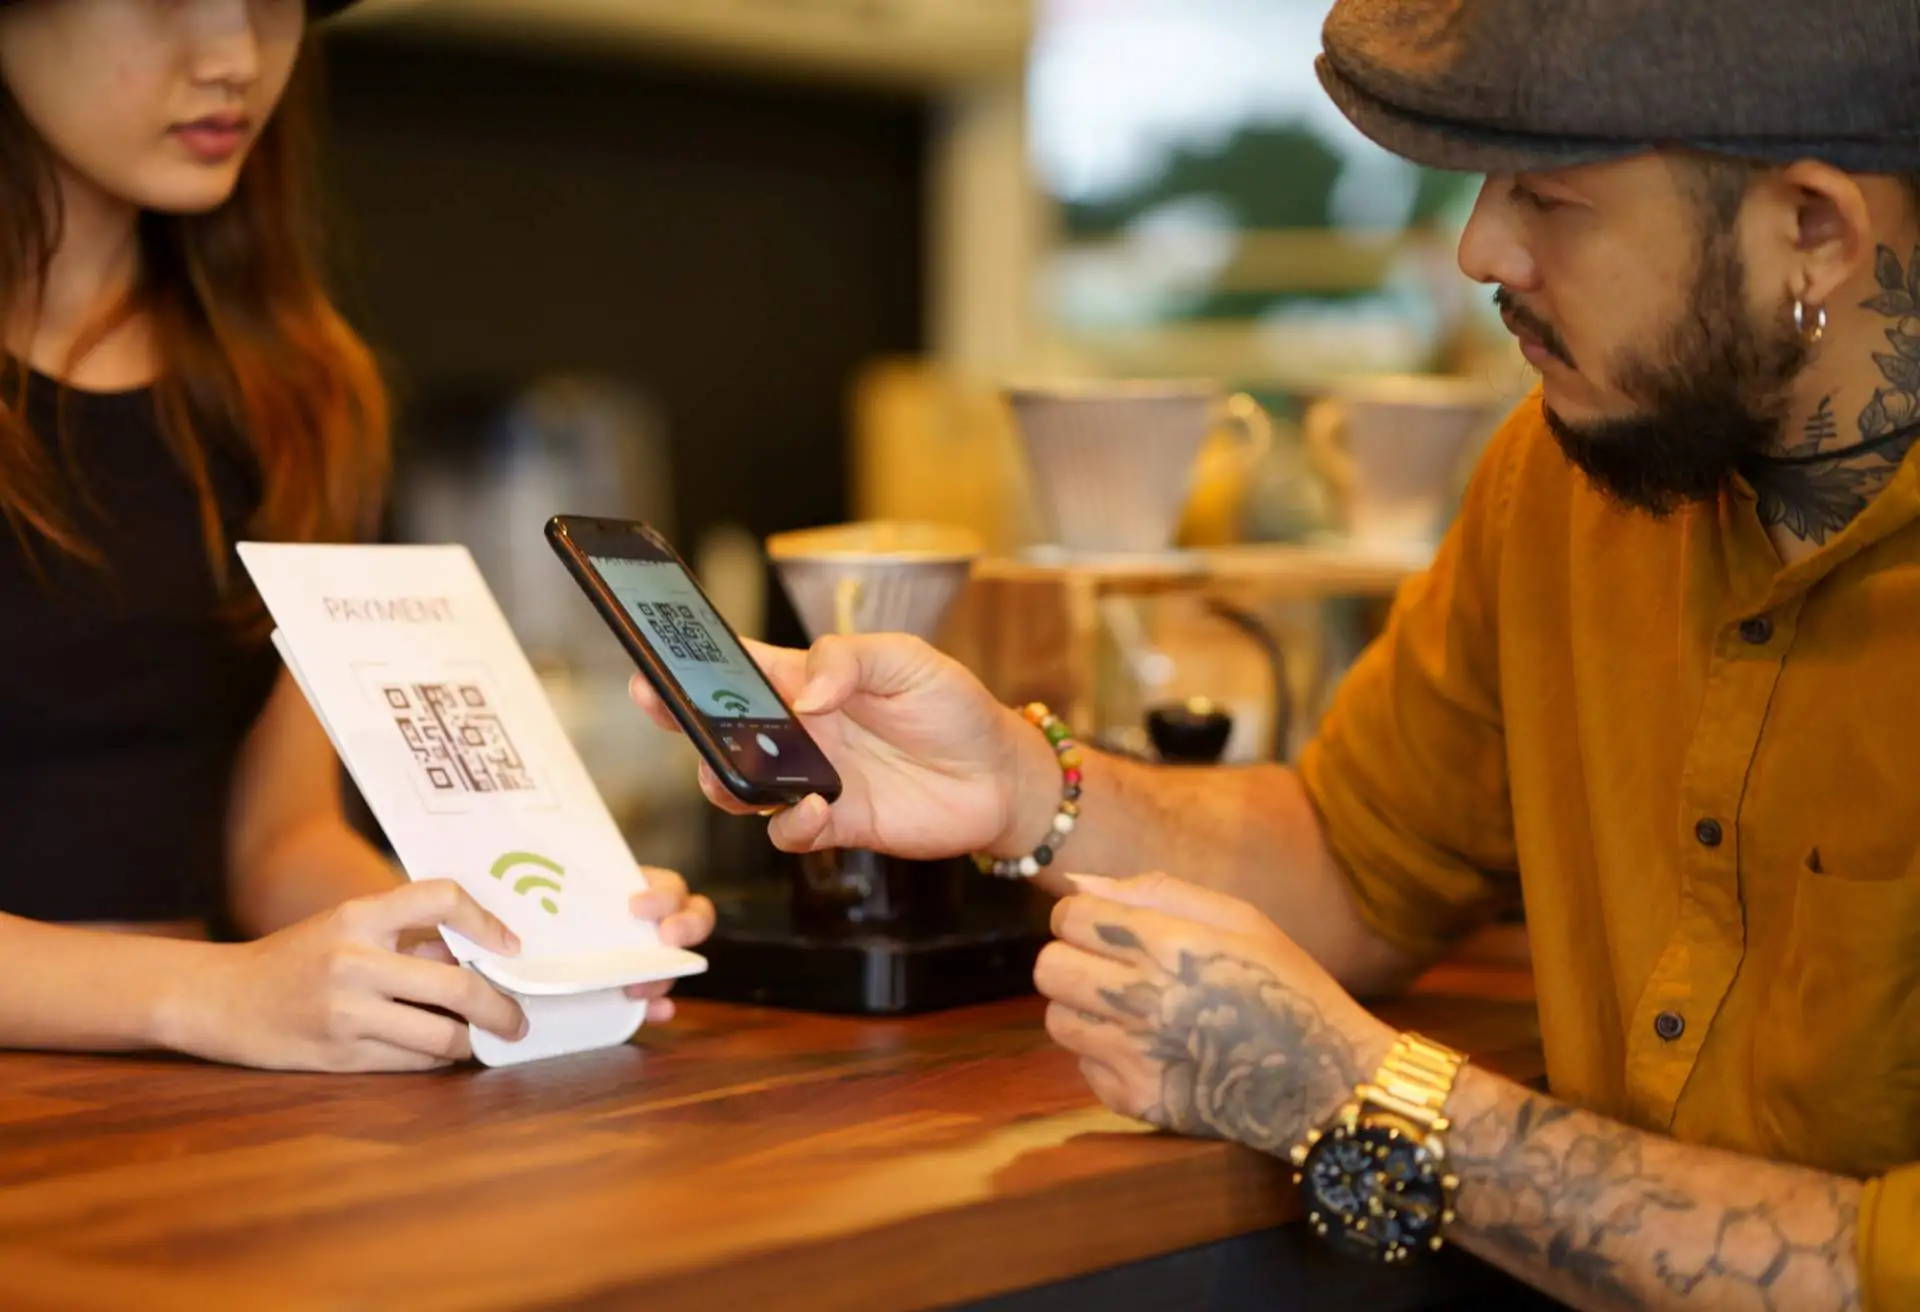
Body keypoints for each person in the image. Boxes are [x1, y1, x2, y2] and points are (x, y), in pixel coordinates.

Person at [632, 1, 1920, 1306]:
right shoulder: (1564, 483)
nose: (1482, 248)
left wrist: (1363, 1097)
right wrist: (1023, 787)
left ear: (1810, 230)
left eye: (1549, 196)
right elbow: (1354, 861)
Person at [0, 0, 713, 1072]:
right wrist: (211, 993)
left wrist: (501, 939)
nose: (233, 55)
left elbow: (275, 840)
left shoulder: (297, 387)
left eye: (272, 1)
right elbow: (229, 984)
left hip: (188, 1123)